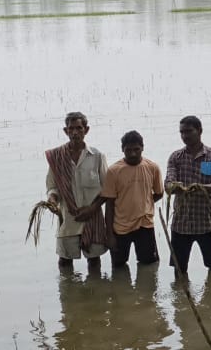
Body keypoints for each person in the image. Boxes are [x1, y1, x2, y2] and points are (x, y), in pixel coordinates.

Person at [45, 112, 111, 268]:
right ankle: (68, 291)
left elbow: (107, 189)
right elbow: (52, 187)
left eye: (79, 128)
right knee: (64, 261)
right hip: (68, 218)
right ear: (65, 131)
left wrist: (92, 208)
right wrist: (52, 200)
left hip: (93, 217)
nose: (75, 132)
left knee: (94, 261)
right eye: (71, 128)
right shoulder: (57, 156)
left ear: (86, 130)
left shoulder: (97, 156)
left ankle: (96, 290)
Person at [164, 116, 211, 273]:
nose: (185, 136)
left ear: (199, 131)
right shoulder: (176, 157)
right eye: (182, 132)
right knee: (179, 271)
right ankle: (181, 296)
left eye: (188, 131)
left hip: (207, 224)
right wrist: (175, 187)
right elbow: (168, 184)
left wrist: (201, 188)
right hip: (181, 225)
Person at [98, 131, 164, 268]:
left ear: (142, 148)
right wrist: (109, 234)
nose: (133, 154)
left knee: (149, 266)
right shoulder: (114, 171)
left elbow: (159, 193)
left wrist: (144, 204)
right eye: (128, 150)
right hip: (120, 227)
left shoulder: (152, 167)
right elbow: (109, 205)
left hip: (145, 225)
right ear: (122, 149)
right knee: (118, 266)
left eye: (136, 149)